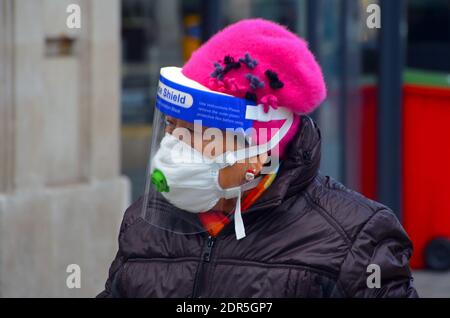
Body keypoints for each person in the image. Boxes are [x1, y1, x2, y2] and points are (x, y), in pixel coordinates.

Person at [98, 19, 418, 298]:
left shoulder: (354, 238)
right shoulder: (143, 219)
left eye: (196, 131)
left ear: (258, 150)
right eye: (170, 125)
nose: (173, 145)